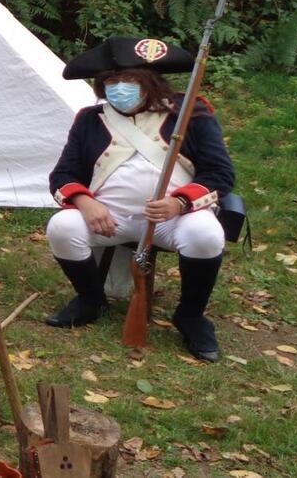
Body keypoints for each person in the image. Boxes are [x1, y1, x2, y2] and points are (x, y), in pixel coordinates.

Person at [45, 37, 234, 362]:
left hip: (175, 218)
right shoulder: (91, 120)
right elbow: (62, 176)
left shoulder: (190, 112)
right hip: (109, 217)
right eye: (111, 81)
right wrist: (87, 203)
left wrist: (180, 203)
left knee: (206, 235)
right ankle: (90, 300)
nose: (119, 88)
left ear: (150, 81)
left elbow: (220, 174)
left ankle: (190, 316)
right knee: (62, 227)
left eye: (129, 80)